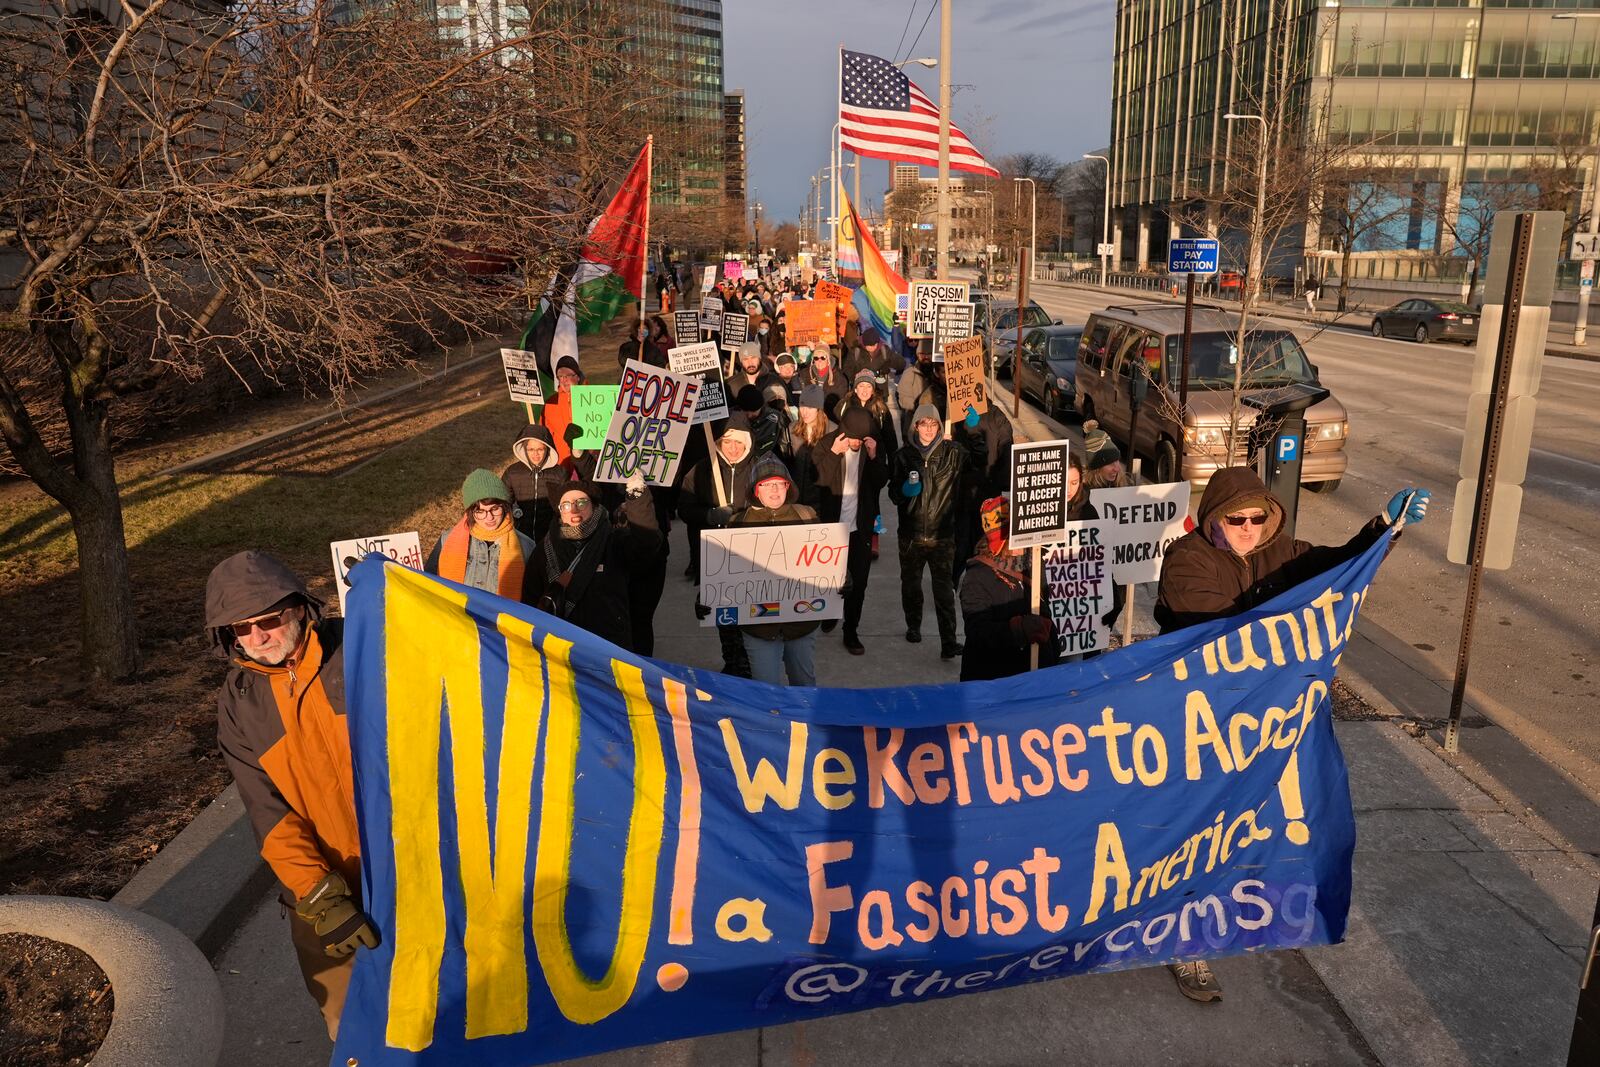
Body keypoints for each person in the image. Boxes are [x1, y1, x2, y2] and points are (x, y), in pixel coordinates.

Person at [1153, 467, 1430, 1002]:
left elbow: (1338, 564)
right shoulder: (1188, 560)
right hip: (1199, 723)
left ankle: (1233, 911)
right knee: (1195, 831)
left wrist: (1384, 529)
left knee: (1249, 826)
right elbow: (1222, 631)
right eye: (1237, 519)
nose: (1250, 528)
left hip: (1260, 724)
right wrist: (1289, 606)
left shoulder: (1283, 551)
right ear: (1214, 518)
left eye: (1259, 518)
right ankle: (1188, 944)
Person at [207, 551, 372, 1039]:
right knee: (352, 1028)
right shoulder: (238, 703)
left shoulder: (358, 645)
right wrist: (320, 894)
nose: (258, 638)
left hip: (411, 872)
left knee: (444, 1009)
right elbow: (268, 811)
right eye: (241, 629)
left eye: (269, 620)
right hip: (321, 890)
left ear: (299, 608)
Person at [528, 474, 661, 651]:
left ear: (594, 505)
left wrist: (637, 497)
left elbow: (647, 543)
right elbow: (530, 599)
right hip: (561, 647)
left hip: (609, 644)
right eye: (566, 505)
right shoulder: (544, 549)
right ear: (559, 511)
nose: (574, 510)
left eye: (582, 503)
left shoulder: (614, 540)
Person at [889, 404, 971, 659]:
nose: (927, 429)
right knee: (911, 586)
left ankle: (949, 641)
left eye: (932, 424)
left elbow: (979, 455)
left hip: (942, 535)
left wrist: (973, 425)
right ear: (915, 426)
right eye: (922, 424)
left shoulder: (953, 453)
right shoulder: (903, 456)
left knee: (944, 590)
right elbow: (892, 494)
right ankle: (913, 626)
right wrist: (905, 490)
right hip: (911, 535)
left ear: (938, 426)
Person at [680, 414, 760, 675]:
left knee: (750, 616)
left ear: (747, 442)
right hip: (714, 557)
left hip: (752, 558)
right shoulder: (702, 469)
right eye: (727, 442)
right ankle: (731, 661)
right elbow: (684, 507)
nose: (733, 448)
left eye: (738, 442)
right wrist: (710, 515)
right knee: (724, 615)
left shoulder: (760, 466)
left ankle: (750, 663)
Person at [733, 455, 822, 685]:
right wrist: (709, 596)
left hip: (801, 623)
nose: (774, 490)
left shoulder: (807, 517)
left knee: (804, 687)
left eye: (779, 483)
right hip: (760, 628)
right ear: (756, 490)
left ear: (788, 487)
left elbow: (825, 560)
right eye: (766, 484)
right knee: (766, 690)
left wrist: (842, 578)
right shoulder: (738, 523)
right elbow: (726, 573)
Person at [812, 406, 888, 655]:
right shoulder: (827, 445)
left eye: (861, 438)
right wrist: (834, 454)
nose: (856, 443)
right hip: (831, 529)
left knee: (859, 583)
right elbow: (817, 482)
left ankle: (851, 630)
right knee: (829, 580)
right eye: (853, 437)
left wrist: (875, 456)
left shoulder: (871, 446)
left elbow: (880, 482)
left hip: (860, 528)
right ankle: (829, 613)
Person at [958, 496, 1057, 680]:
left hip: (1035, 675)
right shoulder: (976, 576)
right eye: (1013, 539)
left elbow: (1045, 609)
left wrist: (1053, 644)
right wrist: (1019, 628)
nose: (1020, 545)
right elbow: (977, 631)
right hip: (997, 680)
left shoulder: (1033, 562)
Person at [425, 469, 537, 602]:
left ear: (505, 506)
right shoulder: (447, 540)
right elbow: (427, 584)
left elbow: (532, 599)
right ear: (470, 512)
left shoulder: (526, 547)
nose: (489, 517)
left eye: (495, 509)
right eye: (480, 511)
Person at [502, 424, 566, 544]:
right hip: (520, 535)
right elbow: (504, 502)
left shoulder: (559, 473)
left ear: (547, 449)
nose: (535, 454)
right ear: (524, 449)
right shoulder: (513, 472)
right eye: (531, 449)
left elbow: (563, 506)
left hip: (549, 536)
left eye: (540, 449)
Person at [543, 355, 584, 465]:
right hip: (563, 463)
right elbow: (544, 435)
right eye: (560, 376)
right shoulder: (551, 403)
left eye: (568, 375)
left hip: (588, 461)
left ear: (578, 377)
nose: (564, 380)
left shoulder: (592, 397)